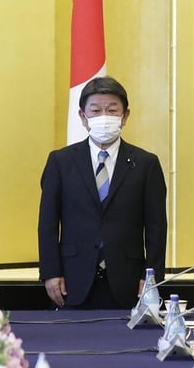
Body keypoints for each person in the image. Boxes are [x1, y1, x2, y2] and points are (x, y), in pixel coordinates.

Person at [38, 76, 168, 309]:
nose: (103, 117)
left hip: (128, 280)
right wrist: (50, 272)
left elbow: (157, 227)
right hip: (72, 278)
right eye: (96, 110)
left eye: (111, 110)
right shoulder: (61, 161)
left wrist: (152, 277)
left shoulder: (146, 164)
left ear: (125, 115)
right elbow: (47, 223)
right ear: (82, 116)